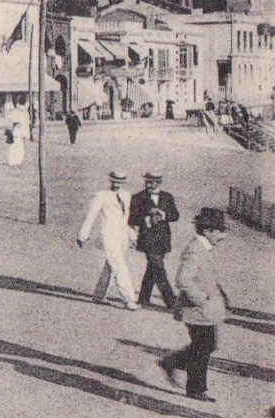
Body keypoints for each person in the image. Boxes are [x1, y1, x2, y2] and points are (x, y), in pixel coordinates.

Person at [158, 208, 229, 402]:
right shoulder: (195, 250)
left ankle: (172, 363)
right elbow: (183, 279)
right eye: (220, 231)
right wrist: (202, 300)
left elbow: (206, 277)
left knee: (206, 344)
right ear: (207, 230)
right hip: (195, 309)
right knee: (204, 345)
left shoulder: (203, 248)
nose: (223, 236)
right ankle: (196, 388)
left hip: (202, 309)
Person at [78, 169, 139, 309]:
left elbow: (126, 218)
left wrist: (132, 235)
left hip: (121, 236)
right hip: (108, 235)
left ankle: (99, 295)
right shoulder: (101, 196)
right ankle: (129, 299)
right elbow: (91, 215)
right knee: (119, 266)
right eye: (114, 181)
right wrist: (83, 235)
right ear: (110, 180)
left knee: (110, 266)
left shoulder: (126, 195)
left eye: (120, 182)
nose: (117, 184)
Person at [129, 171, 180, 310]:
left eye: (152, 182)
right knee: (158, 267)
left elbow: (175, 215)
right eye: (147, 181)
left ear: (159, 182)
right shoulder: (138, 198)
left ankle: (144, 299)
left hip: (163, 238)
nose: (148, 184)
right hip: (148, 239)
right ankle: (171, 301)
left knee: (153, 268)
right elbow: (131, 218)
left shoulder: (167, 197)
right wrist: (146, 219)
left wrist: (163, 215)